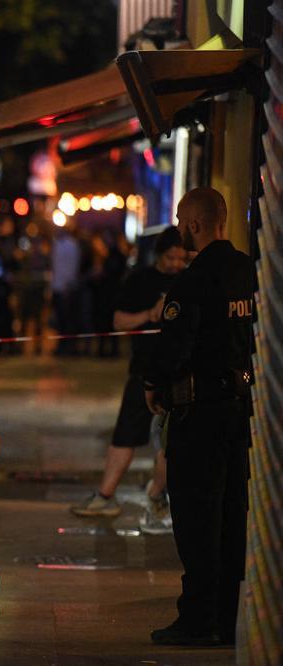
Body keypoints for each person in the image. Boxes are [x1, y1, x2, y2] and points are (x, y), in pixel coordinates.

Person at [143, 187, 254, 646]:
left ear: (194, 224)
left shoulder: (193, 280)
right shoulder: (250, 271)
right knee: (232, 517)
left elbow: (174, 347)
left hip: (199, 413)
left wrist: (153, 385)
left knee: (195, 519)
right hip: (241, 411)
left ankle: (197, 619)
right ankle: (228, 619)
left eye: (180, 220)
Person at [71, 226, 185, 533]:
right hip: (144, 370)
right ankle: (106, 494)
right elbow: (119, 321)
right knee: (126, 434)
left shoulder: (190, 281)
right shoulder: (140, 280)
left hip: (178, 373)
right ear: (160, 254)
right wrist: (150, 314)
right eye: (171, 257)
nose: (176, 264)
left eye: (181, 258)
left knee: (169, 442)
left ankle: (157, 495)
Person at [51, 226, 82, 356]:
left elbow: (72, 267)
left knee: (68, 319)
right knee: (60, 320)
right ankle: (62, 346)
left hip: (67, 288)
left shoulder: (71, 246)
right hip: (57, 287)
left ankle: (70, 347)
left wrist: (67, 285)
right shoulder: (56, 245)